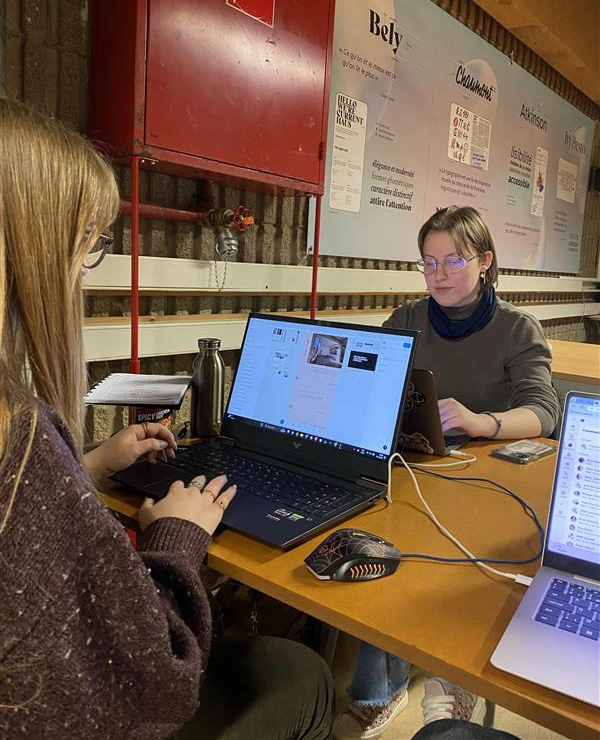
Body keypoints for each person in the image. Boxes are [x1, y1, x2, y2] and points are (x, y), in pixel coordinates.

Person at [0, 98, 334, 740]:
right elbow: (155, 677)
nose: (85, 271)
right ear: (35, 248)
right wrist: (177, 538)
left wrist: (89, 464)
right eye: (88, 243)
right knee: (301, 674)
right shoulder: (21, 437)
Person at [333, 206, 559, 740]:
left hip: (485, 482)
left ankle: (451, 678)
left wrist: (482, 422)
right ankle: (379, 691)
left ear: (485, 262)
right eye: (428, 263)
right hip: (413, 468)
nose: (438, 275)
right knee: (378, 544)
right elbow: (373, 375)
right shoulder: (409, 318)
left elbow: (544, 410)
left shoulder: (516, 328)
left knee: (457, 566)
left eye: (453, 261)